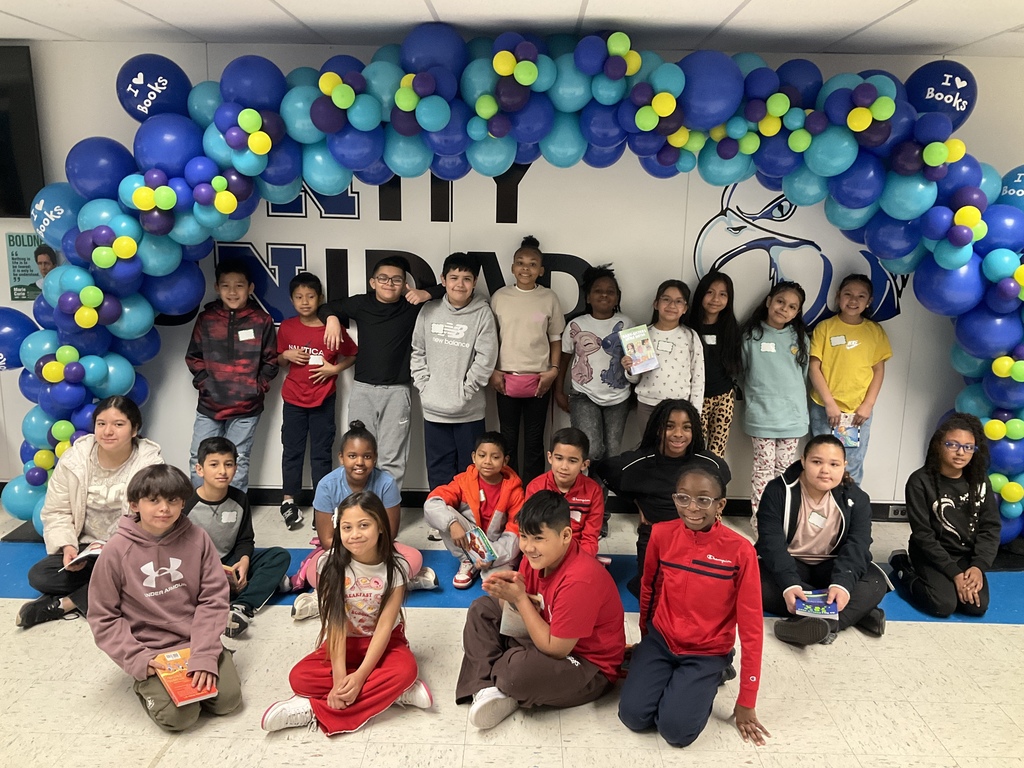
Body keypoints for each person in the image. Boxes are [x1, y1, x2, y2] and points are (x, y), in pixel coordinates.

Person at [619, 465, 769, 748]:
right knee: (633, 717)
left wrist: (747, 700)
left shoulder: (740, 551)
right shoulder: (661, 535)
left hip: (707, 651)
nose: (692, 507)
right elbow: (650, 589)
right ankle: (679, 681)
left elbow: (751, 629)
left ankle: (716, 673)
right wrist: (646, 640)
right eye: (683, 497)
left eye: (703, 499)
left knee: (676, 732)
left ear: (720, 504)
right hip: (661, 641)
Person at [261, 491, 432, 734]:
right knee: (299, 677)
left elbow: (385, 627)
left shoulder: (397, 567)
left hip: (384, 644)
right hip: (344, 642)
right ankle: (394, 693)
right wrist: (340, 678)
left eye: (364, 525)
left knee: (406, 669)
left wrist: (361, 676)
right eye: (347, 527)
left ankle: (313, 709)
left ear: (381, 526)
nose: (355, 535)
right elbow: (337, 625)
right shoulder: (329, 563)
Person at [87, 465, 242, 732]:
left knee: (228, 702)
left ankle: (211, 659)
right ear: (135, 504)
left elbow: (214, 598)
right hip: (151, 651)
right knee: (180, 718)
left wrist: (204, 652)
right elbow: (103, 616)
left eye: (172, 500)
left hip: (195, 640)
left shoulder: (198, 538)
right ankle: (143, 684)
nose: (164, 508)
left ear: (183, 502)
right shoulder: (116, 550)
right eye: (153, 500)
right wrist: (137, 659)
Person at [456, 491, 625, 730]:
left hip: (585, 664)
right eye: (524, 537)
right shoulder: (537, 559)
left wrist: (520, 600)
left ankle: (493, 677)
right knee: (481, 608)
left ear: (565, 535)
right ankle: (488, 689)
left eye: (538, 538)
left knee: (517, 673)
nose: (528, 547)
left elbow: (556, 649)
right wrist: (509, 594)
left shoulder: (580, 579)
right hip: (543, 634)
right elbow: (524, 608)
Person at [17, 396, 163, 629]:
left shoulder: (150, 466)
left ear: (135, 429)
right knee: (39, 575)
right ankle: (108, 593)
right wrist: (68, 547)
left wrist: (118, 550)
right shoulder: (75, 460)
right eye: (101, 423)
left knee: (149, 577)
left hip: (129, 552)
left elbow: (154, 520)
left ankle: (67, 603)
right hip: (85, 551)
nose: (108, 431)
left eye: (118, 424)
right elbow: (56, 511)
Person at [320, 255, 444, 490]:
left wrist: (426, 293)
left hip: (397, 391)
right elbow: (326, 307)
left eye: (396, 279)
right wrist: (333, 319)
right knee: (358, 451)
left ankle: (386, 509)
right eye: (383, 278)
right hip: (363, 390)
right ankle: (359, 505)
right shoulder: (361, 304)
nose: (389, 283)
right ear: (373, 282)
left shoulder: (411, 305)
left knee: (392, 457)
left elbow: (448, 288)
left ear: (405, 284)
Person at [292, 421, 434, 622]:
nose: (359, 462)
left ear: (374, 459)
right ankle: (389, 585)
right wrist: (354, 552)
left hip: (377, 551)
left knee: (414, 557)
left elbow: (390, 533)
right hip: (342, 550)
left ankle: (344, 591)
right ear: (341, 458)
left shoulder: (386, 483)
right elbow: (326, 540)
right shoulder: (327, 485)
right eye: (352, 456)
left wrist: (368, 557)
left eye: (366, 456)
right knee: (315, 570)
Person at [756, 435, 888, 646]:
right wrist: (789, 584)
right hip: (791, 564)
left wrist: (842, 584)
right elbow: (771, 544)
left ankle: (817, 623)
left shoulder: (857, 498)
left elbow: (858, 545)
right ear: (803, 461)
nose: (825, 470)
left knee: (875, 582)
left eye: (834, 464)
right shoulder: (777, 491)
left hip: (832, 566)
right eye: (817, 462)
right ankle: (855, 615)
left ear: (844, 466)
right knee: (751, 581)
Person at [604, 398, 730, 596]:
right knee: (656, 592)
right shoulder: (639, 461)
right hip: (655, 538)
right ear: (657, 429)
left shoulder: (709, 463)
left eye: (686, 427)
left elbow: (722, 483)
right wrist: (637, 503)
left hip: (695, 538)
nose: (678, 434)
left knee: (699, 592)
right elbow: (605, 470)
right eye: (670, 426)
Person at [890, 413, 1001, 617]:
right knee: (942, 605)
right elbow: (923, 535)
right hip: (930, 554)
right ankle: (902, 566)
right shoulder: (919, 482)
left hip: (966, 555)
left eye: (968, 447)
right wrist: (954, 573)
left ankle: (960, 575)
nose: (961, 452)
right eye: (953, 445)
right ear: (938, 445)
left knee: (976, 607)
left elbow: (990, 527)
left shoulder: (980, 481)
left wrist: (978, 566)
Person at [186, 258, 278, 493]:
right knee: (199, 458)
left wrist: (255, 388)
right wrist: (205, 384)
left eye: (239, 286)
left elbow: (271, 361)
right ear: (217, 288)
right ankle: (200, 513)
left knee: (238, 460)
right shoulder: (206, 319)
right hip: (209, 405)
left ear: (250, 288)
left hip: (246, 407)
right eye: (226, 286)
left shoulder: (261, 320)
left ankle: (234, 516)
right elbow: (194, 356)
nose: (232, 292)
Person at [185, 436, 292, 638]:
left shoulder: (240, 499)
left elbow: (245, 540)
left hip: (229, 563)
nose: (222, 471)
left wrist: (243, 561)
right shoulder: (186, 503)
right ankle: (262, 585)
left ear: (236, 467)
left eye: (228, 464)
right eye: (214, 465)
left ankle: (241, 607)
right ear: (200, 469)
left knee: (279, 556)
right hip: (198, 569)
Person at [411, 252, 498, 490]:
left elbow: (486, 359)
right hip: (433, 408)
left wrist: (465, 392)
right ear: (443, 280)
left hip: (468, 412)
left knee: (469, 471)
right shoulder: (429, 310)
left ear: (475, 281)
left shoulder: (483, 313)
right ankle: (441, 521)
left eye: (467, 278)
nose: (460, 284)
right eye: (454, 277)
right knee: (439, 469)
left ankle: (467, 521)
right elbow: (418, 351)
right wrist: (425, 387)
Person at [277, 271, 357, 530]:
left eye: (310, 296)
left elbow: (353, 355)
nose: (305, 302)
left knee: (321, 454)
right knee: (292, 451)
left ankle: (321, 505)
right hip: (293, 400)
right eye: (299, 297)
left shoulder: (332, 328)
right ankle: (288, 501)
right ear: (291, 300)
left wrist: (334, 370)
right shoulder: (287, 327)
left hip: (323, 399)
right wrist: (286, 354)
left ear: (320, 298)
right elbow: (277, 360)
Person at [489, 235, 566, 484]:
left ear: (541, 270)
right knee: (508, 441)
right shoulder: (500, 297)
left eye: (532, 264)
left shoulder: (549, 298)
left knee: (534, 442)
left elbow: (555, 338)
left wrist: (553, 371)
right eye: (520, 263)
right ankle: (509, 493)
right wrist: (493, 371)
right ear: (512, 268)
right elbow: (490, 339)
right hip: (505, 379)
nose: (526, 268)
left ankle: (532, 494)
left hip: (539, 381)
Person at [553, 265, 633, 493]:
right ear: (588, 296)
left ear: (617, 296)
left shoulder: (628, 323)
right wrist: (559, 391)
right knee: (592, 449)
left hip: (619, 397)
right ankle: (588, 499)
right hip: (583, 396)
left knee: (613, 454)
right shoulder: (576, 325)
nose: (604, 295)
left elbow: (637, 361)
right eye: (598, 290)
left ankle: (601, 512)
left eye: (610, 291)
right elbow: (565, 361)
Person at [808, 274, 893, 484]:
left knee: (851, 463)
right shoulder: (825, 328)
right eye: (848, 294)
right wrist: (829, 403)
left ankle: (847, 511)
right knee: (822, 461)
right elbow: (814, 367)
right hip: (824, 410)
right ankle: (819, 509)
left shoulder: (874, 331)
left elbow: (878, 371)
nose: (853, 300)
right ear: (838, 297)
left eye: (860, 296)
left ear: (869, 302)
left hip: (857, 414)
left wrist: (867, 405)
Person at [740, 281, 809, 521]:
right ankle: (760, 521)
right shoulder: (751, 335)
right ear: (769, 301)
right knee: (763, 470)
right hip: (762, 416)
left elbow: (804, 374)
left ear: (797, 312)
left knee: (785, 471)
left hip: (792, 418)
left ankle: (781, 520)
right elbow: (743, 372)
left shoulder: (799, 338)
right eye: (780, 302)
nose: (784, 309)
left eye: (792, 306)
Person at [423, 432, 525, 589]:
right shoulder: (464, 481)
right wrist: (452, 523)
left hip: (498, 547)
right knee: (443, 511)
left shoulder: (514, 491)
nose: (487, 462)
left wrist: (492, 556)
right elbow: (432, 504)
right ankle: (467, 560)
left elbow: (515, 532)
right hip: (470, 540)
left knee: (495, 586)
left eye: (495, 457)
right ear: (473, 457)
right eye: (482, 455)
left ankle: (488, 564)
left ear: (505, 460)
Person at [623, 279, 704, 435]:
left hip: (678, 408)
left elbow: (698, 379)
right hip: (647, 404)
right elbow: (635, 379)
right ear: (656, 304)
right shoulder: (641, 335)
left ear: (685, 308)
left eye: (678, 301)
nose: (672, 305)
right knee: (649, 451)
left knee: (673, 452)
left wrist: (694, 414)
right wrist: (629, 369)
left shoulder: (690, 337)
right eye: (666, 299)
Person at [525, 427, 604, 557]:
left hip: (577, 552)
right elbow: (531, 532)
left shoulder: (593, 491)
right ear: (550, 457)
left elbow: (590, 538)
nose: (564, 467)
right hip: (543, 551)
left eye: (572, 461)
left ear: (584, 464)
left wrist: (578, 561)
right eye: (559, 458)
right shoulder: (535, 487)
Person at [687, 271, 741, 459]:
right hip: (695, 398)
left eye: (723, 294)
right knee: (694, 450)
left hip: (723, 397)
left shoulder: (732, 328)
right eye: (710, 292)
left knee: (717, 453)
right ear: (701, 294)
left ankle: (713, 487)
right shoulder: (688, 326)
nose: (715, 299)